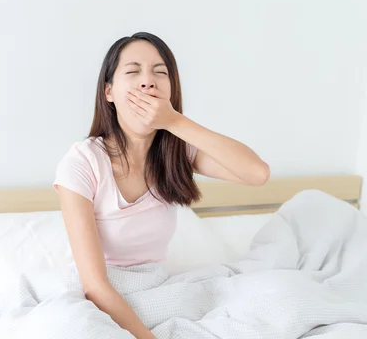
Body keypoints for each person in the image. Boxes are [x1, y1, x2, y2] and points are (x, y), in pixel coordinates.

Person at [53, 32, 269, 338]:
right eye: (132, 71)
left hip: (154, 288)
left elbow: (257, 173)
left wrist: (175, 122)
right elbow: (95, 286)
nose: (147, 81)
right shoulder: (83, 162)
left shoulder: (178, 153)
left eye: (160, 72)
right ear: (109, 92)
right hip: (98, 298)